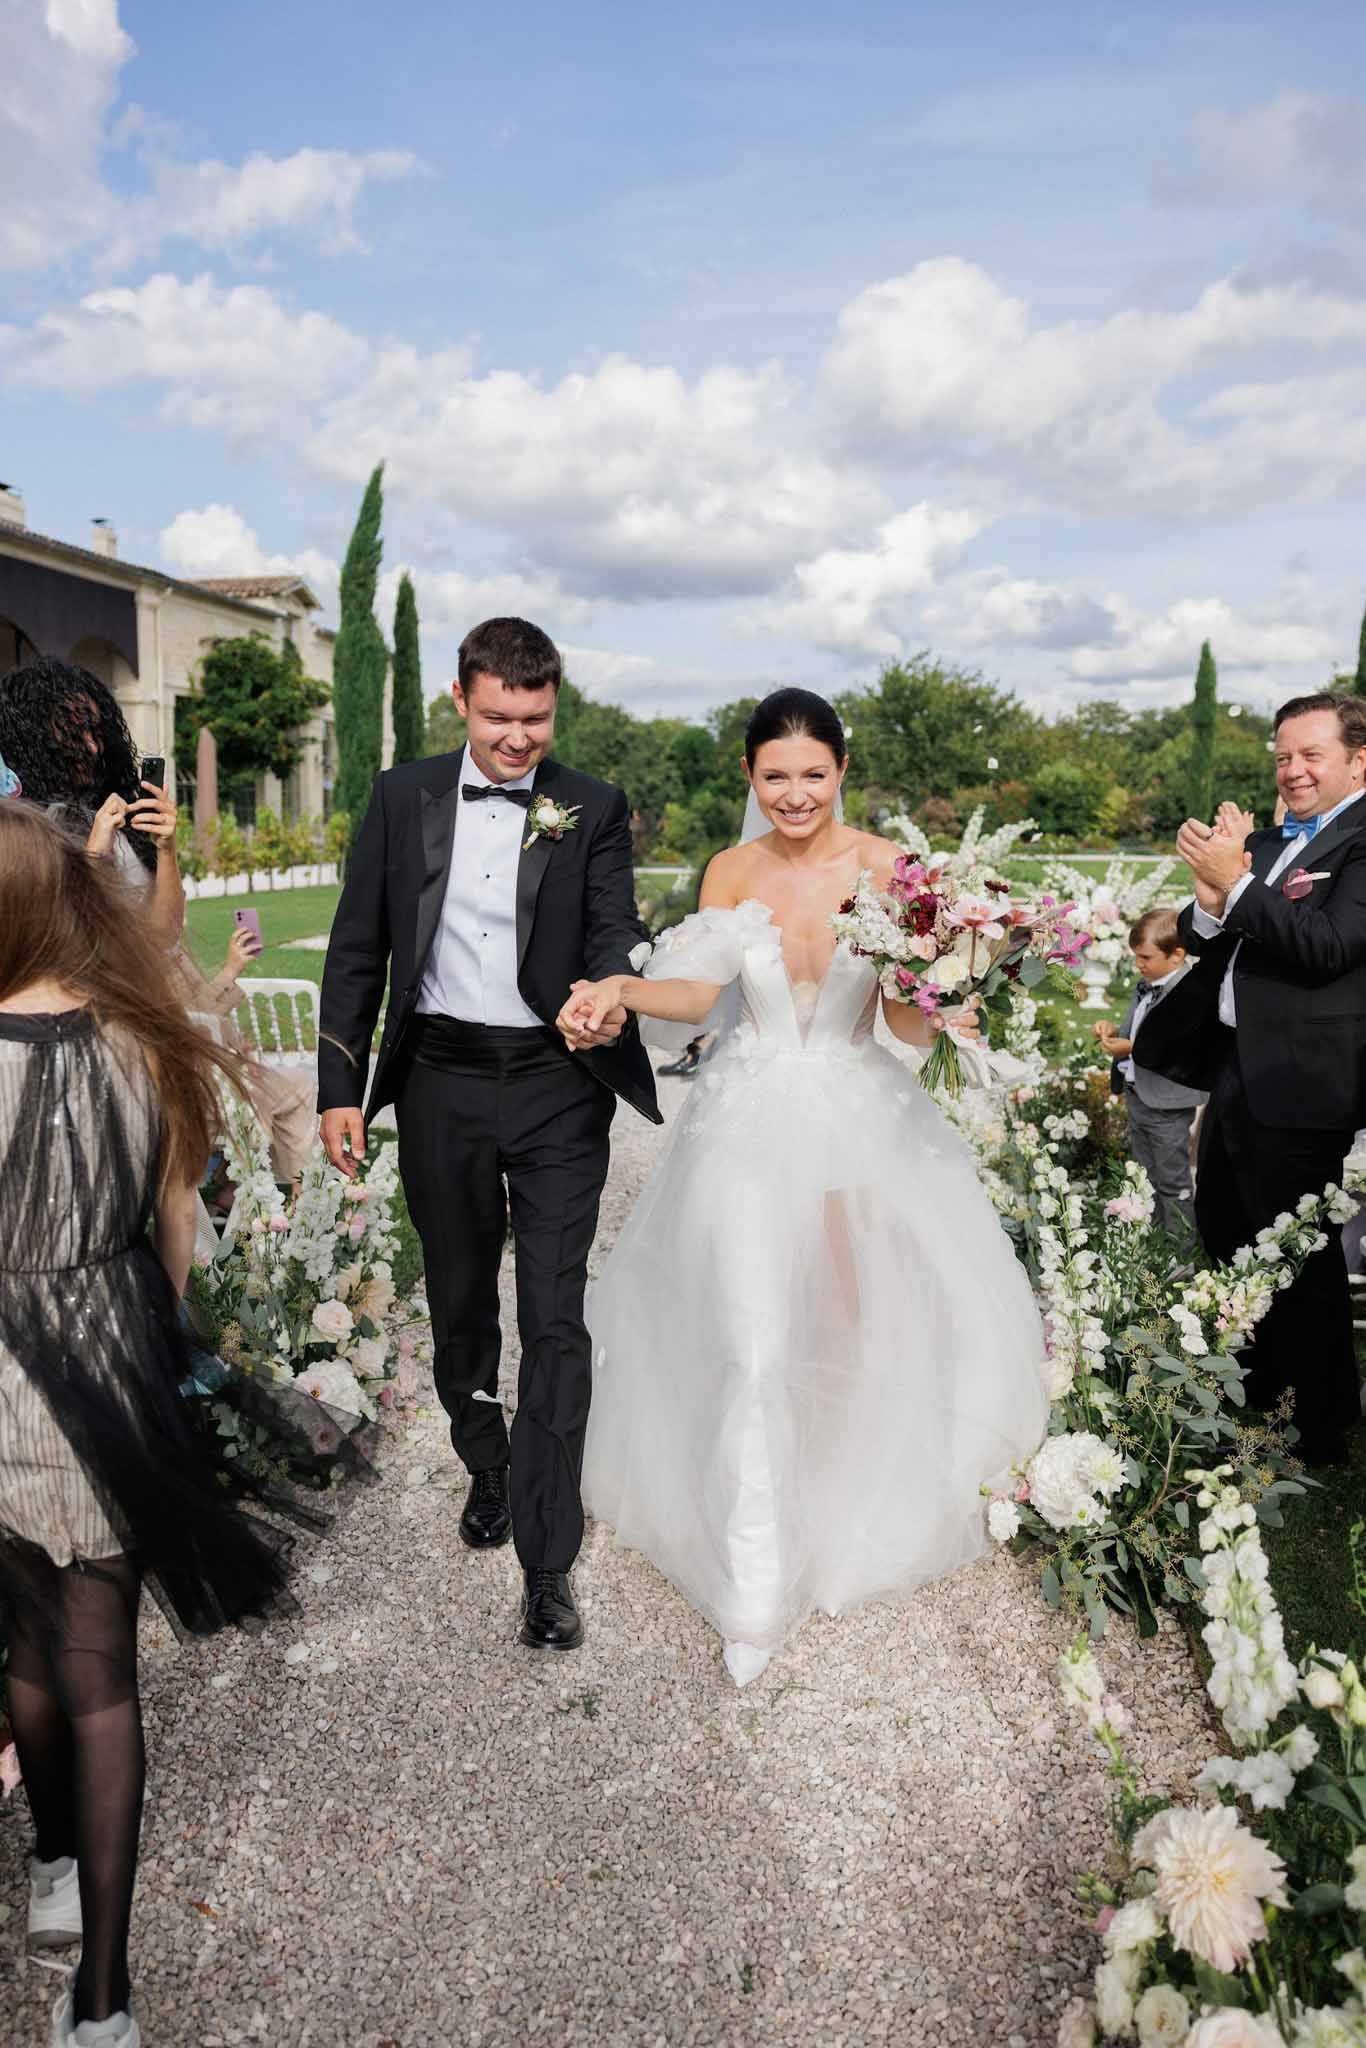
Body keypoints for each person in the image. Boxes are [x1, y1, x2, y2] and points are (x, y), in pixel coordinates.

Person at [559, 688, 1049, 1685]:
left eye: (812, 774)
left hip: (860, 1118)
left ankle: (843, 1490)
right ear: (749, 776)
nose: (793, 793)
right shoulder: (728, 870)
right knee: (751, 1340)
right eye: (774, 775)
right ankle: (752, 1580)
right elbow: (696, 995)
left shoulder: (889, 868)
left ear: (840, 771)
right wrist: (618, 987)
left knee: (856, 1319)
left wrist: (952, 981)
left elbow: (905, 1030)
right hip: (744, 1121)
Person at [0, 801, 299, 2048]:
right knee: (100, 1666)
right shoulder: (143, 1037)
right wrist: (141, 1335)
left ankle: (56, 1866)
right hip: (117, 1360)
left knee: (19, 1642)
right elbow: (176, 1221)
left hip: (2, 1378)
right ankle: (104, 2001)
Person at [318, 617, 660, 1651]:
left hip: (559, 1084)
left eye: (537, 719)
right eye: (501, 718)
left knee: (554, 1317)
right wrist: (342, 1084)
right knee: (462, 1300)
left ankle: (548, 1561)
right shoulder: (399, 795)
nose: (520, 739)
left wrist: (610, 988)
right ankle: (487, 1458)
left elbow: (612, 927)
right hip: (439, 1082)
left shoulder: (590, 805)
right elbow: (355, 946)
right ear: (461, 701)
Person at [1139, 690, 1366, 1466]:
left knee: (1299, 1253)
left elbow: (1328, 945)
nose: (1293, 771)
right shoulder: (1273, 841)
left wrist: (1236, 882)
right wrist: (1211, 897)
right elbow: (1216, 934)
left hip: (1306, 1078)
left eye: (1311, 755)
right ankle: (1257, 1390)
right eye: (1282, 757)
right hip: (1239, 1066)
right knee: (1230, 1229)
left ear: (1359, 759)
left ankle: (1324, 1425)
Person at [0, 656, 184, 947]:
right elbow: (57, 948)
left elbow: (164, 937)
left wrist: (166, 848)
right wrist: (95, 856)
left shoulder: (112, 818)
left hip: (146, 988)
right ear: (32, 740)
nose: (92, 746)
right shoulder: (19, 835)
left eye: (95, 730)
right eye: (74, 732)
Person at [1092, 908, 1206, 1241]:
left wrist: (1129, 1048)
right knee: (1144, 1177)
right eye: (1136, 956)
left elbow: (1174, 1044)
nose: (1139, 964)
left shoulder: (1189, 991)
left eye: (1146, 957)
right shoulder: (1148, 983)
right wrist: (1114, 1030)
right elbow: (1138, 1025)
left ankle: (1181, 1252)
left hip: (1167, 1102)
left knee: (1172, 1180)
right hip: (1138, 1094)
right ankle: (1153, 1241)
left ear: (1177, 955)